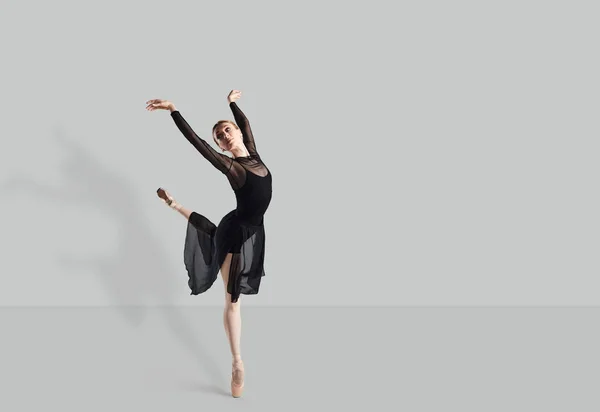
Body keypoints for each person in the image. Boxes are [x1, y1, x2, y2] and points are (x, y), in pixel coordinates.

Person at [145, 90, 273, 397]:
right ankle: (238, 363)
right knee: (233, 300)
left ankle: (175, 205)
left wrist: (232, 102)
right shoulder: (234, 168)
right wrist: (173, 110)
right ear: (219, 145)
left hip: (251, 227)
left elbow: (245, 121)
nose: (224, 135)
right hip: (237, 234)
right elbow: (197, 144)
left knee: (212, 231)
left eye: (228, 129)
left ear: (238, 133)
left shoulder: (253, 154)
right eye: (219, 136)